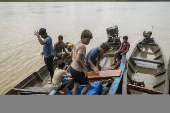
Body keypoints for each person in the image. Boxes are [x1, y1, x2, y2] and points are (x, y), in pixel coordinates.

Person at [70, 29, 93, 95]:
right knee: (88, 85)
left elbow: (72, 54)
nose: (89, 42)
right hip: (78, 69)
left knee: (76, 86)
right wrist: (84, 69)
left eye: (89, 40)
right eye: (88, 40)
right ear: (83, 38)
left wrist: (82, 60)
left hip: (72, 67)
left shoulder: (77, 43)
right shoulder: (83, 46)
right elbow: (78, 60)